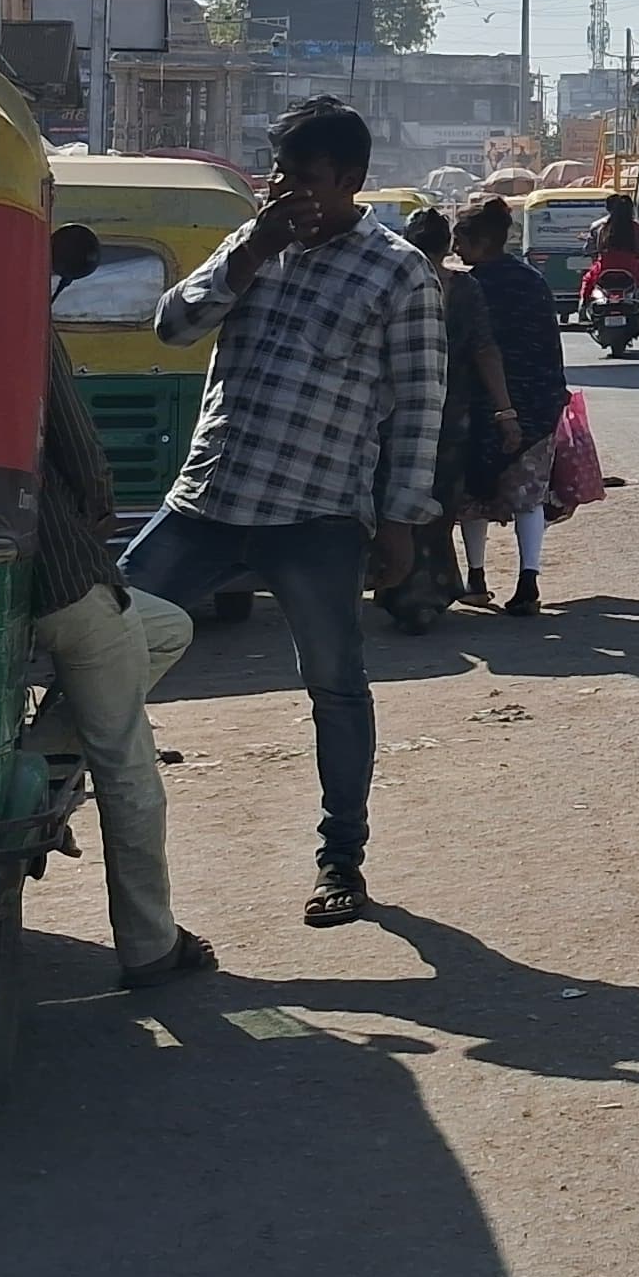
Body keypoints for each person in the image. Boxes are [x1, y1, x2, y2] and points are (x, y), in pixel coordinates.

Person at [125, 98, 445, 929]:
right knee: (104, 643)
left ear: (349, 181)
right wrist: (250, 252)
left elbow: (417, 407)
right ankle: (48, 816)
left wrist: (402, 523)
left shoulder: (398, 271)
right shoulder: (256, 241)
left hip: (318, 515)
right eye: (279, 174)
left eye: (302, 179)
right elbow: (171, 327)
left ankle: (341, 861)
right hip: (211, 497)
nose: (285, 191)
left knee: (335, 687)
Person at [29, 226, 210, 988]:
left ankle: (34, 773)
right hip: (56, 574)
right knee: (128, 761)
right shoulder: (16, 324)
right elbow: (79, 448)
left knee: (165, 625)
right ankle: (148, 945)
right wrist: (97, 509)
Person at [397, 205, 521, 623]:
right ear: (446, 245)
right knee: (441, 503)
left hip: (395, 414)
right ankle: (430, 585)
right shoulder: (465, 289)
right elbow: (487, 351)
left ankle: (408, 584)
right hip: (452, 414)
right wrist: (506, 412)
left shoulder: (395, 284)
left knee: (398, 499)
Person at [452, 192, 569, 618]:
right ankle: (527, 583)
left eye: (460, 240)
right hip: (538, 405)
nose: (454, 250)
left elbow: (476, 351)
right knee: (528, 497)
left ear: (479, 241)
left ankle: (477, 578)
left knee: (471, 495)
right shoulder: (533, 280)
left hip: (485, 406)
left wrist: (500, 409)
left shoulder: (470, 287)